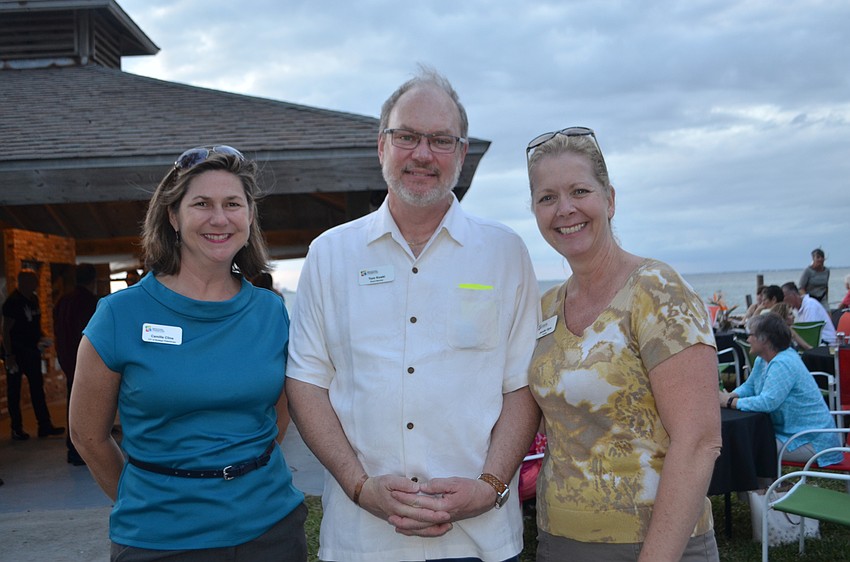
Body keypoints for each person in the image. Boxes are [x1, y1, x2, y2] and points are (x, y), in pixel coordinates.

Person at [286, 67, 541, 562]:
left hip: (481, 539)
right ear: (382, 146)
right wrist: (360, 487)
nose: (422, 154)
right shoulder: (329, 255)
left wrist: (489, 487)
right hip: (361, 540)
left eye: (441, 140)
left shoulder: (505, 253)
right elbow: (306, 383)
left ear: (462, 155)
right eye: (407, 136)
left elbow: (522, 384)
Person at [69, 145, 307, 560]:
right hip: (159, 539)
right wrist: (148, 497)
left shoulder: (271, 312)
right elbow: (87, 436)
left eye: (233, 204)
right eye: (202, 204)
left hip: (271, 529)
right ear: (173, 217)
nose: (220, 218)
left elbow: (280, 413)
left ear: (249, 217)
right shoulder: (119, 315)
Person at [525, 127, 721, 561]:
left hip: (658, 544)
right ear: (535, 212)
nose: (565, 209)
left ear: (609, 200)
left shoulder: (657, 291)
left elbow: (699, 440)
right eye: (547, 197)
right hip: (558, 542)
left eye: (580, 190)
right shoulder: (543, 307)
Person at [719, 313, 842, 466]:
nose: (748, 339)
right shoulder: (763, 359)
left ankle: (764, 489)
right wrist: (732, 395)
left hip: (812, 441)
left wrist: (730, 402)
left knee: (751, 445)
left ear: (765, 339)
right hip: (791, 434)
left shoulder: (782, 363)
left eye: (750, 335)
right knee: (751, 441)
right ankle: (765, 488)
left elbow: (768, 402)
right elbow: (750, 385)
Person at [3, 269, 64, 440]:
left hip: (32, 351)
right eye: (33, 281)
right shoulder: (12, 302)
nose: (36, 284)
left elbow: (35, 325)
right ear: (23, 282)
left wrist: (44, 337)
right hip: (16, 352)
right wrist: (9, 355)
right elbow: (6, 330)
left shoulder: (33, 299)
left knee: (37, 388)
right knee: (14, 391)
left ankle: (44, 425)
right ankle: (17, 428)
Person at [53, 263, 98, 465]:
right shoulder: (89, 302)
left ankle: (73, 448)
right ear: (93, 280)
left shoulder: (63, 300)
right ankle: (79, 450)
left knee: (74, 402)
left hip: (68, 358)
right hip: (86, 362)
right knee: (88, 408)